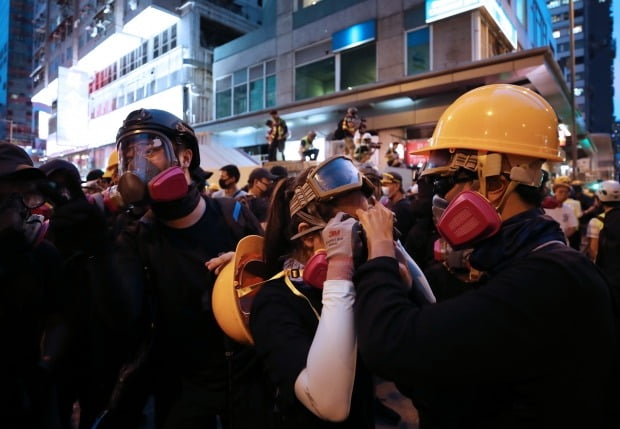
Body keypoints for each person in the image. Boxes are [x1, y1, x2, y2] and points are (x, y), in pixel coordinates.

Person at [346, 84, 617, 428]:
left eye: (446, 184)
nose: (440, 200)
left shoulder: (546, 279)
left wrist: (380, 251)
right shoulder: (533, 261)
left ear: (496, 182)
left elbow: (389, 344)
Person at [88, 109, 270, 429]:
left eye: (151, 149)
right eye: (129, 153)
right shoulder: (134, 235)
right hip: (178, 384)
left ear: (185, 157)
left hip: (245, 375)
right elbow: (123, 316)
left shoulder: (235, 214)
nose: (138, 162)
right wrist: (101, 248)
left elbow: (275, 283)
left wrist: (249, 266)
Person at [249, 155, 378, 428]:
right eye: (355, 228)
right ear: (308, 235)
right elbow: (330, 404)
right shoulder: (275, 302)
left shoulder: (359, 281)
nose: (366, 241)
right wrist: (339, 273)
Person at [0, 143, 69, 428]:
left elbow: (60, 317)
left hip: (29, 393)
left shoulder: (44, 255)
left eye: (24, 194)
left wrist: (45, 365)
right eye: (5, 191)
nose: (15, 204)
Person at [542, 178, 578, 245]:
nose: (563, 194)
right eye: (561, 192)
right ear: (555, 192)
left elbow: (573, 226)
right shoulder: (545, 208)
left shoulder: (569, 209)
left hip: (563, 244)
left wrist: (561, 236)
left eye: (566, 192)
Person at [380, 171, 413, 241]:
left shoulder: (402, 208)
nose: (383, 188)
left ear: (397, 186)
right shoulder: (397, 205)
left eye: (386, 184)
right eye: (382, 185)